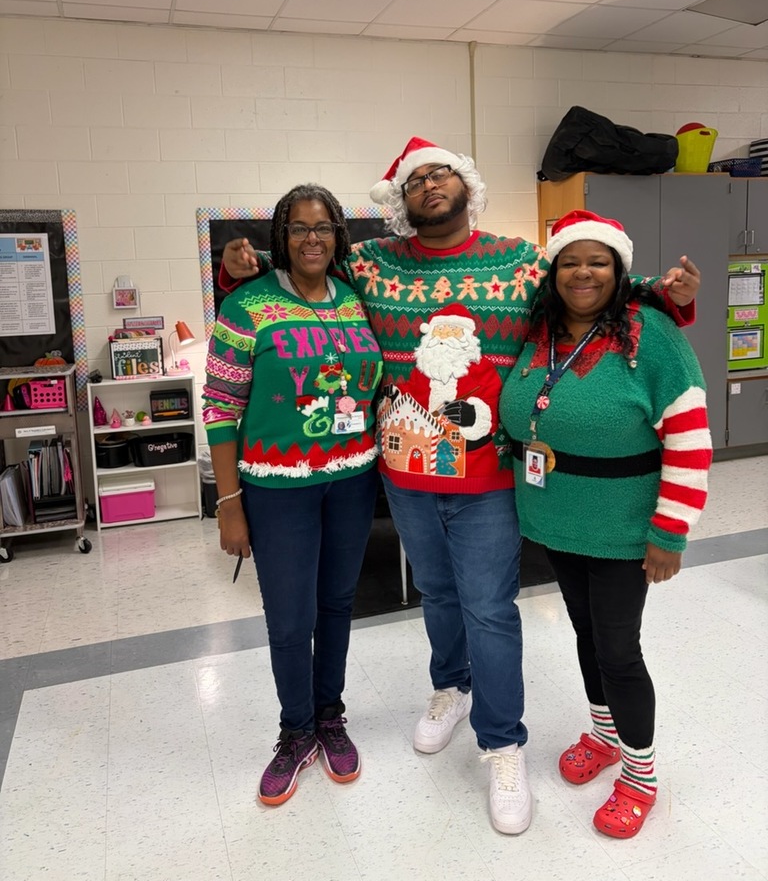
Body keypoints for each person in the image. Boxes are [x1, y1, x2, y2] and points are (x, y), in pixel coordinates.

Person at [220, 137, 700, 834]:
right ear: (400, 200)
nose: (430, 185)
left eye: (442, 173)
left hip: (490, 477)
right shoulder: (372, 264)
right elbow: (306, 268)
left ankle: (503, 745)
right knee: (439, 594)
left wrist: (667, 294)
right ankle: (451, 686)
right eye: (416, 180)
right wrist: (246, 266)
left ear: (466, 186)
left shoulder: (518, 261)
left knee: (491, 609)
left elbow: (590, 278)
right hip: (406, 474)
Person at [498, 209, 712, 838]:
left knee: (619, 650)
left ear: (620, 271)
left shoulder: (652, 334)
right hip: (557, 520)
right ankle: (604, 733)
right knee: (587, 634)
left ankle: (640, 776)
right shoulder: (540, 329)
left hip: (623, 528)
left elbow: (690, 438)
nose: (583, 273)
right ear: (552, 271)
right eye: (569, 261)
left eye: (599, 262)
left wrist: (669, 533)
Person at [202, 183, 383, 807]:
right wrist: (229, 504)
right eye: (299, 227)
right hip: (277, 488)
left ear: (338, 236)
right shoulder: (247, 306)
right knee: (289, 617)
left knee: (336, 605)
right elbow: (219, 409)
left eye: (323, 226)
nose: (312, 237)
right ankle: (296, 731)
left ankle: (329, 717)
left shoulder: (356, 299)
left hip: (352, 480)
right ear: (282, 236)